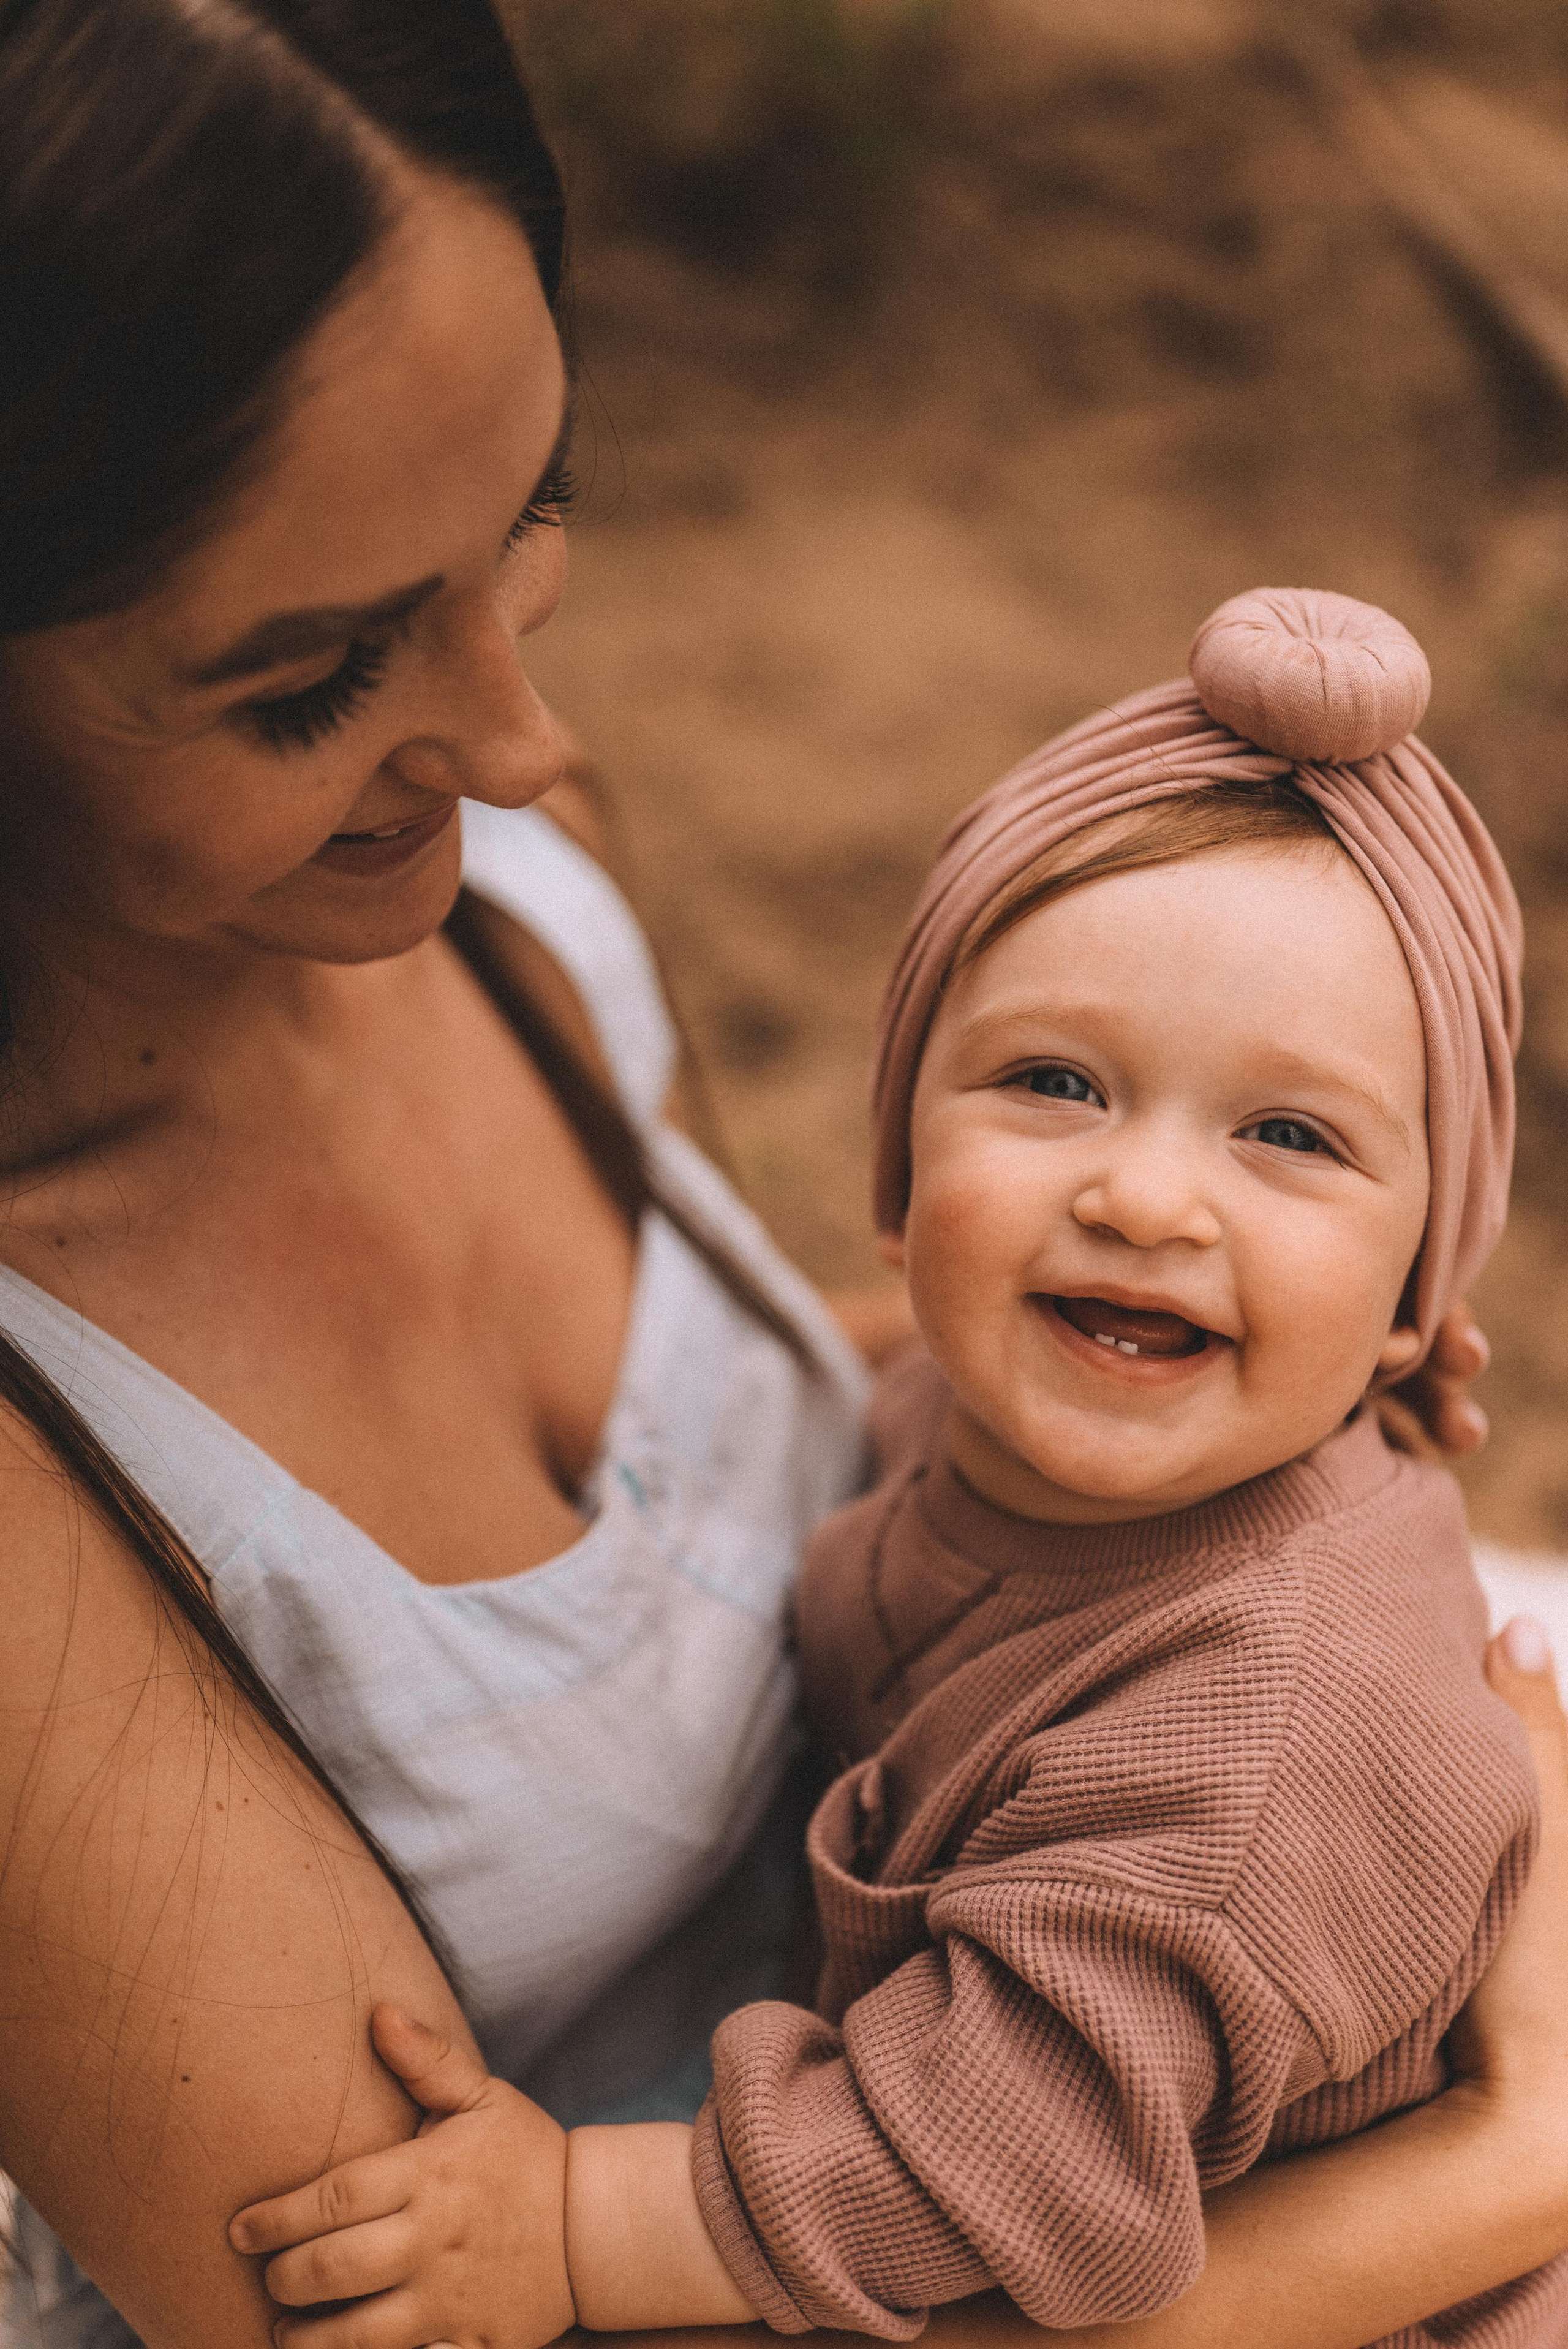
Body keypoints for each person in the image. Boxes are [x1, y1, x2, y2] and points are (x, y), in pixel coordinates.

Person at [0, 4, 1558, 2343]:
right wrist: (1504, 2164)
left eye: (527, 519)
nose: (523, 741)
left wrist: (1219, 1393)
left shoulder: (487, 887)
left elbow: (723, 1451)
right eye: (312, 673)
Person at [228, 588, 1560, 2348]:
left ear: (1413, 1304)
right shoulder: (1016, 1413)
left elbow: (1000, 2156)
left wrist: (576, 2222)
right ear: (902, 1171)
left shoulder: (1254, 1744)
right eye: (1057, 1082)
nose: (1144, 1197)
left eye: (1290, 1134)